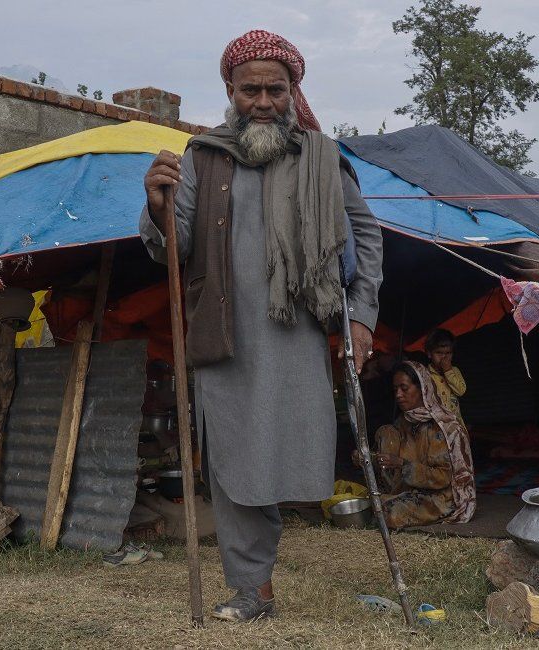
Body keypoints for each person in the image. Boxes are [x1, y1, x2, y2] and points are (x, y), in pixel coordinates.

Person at [140, 30, 383, 622]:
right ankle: (254, 589)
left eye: (277, 89)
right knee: (232, 461)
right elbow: (170, 246)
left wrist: (360, 314)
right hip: (224, 334)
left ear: (293, 91)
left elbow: (367, 235)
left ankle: (258, 574)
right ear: (230, 91)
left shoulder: (322, 157)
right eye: (251, 90)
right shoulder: (201, 157)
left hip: (299, 334)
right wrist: (157, 206)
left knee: (288, 450)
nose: (264, 101)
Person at [361, 361, 475, 529]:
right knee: (386, 432)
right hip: (410, 489)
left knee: (388, 512)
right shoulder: (404, 422)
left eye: (404, 388)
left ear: (422, 388)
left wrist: (402, 464)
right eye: (395, 390)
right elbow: (389, 461)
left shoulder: (444, 427)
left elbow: (443, 478)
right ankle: (391, 497)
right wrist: (366, 457)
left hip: (441, 496)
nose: (398, 395)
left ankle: (392, 501)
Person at [424, 328, 467, 426]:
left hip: (455, 424)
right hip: (436, 425)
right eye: (439, 353)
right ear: (429, 354)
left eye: (448, 353)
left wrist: (448, 371)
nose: (444, 357)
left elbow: (461, 391)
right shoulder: (425, 374)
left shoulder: (454, 370)